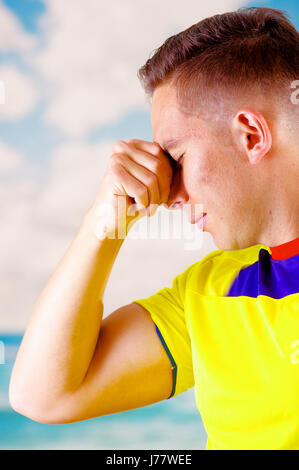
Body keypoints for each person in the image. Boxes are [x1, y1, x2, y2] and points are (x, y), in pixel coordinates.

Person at [9, 7, 299, 450]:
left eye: (177, 159)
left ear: (251, 136)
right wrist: (106, 221)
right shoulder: (208, 292)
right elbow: (44, 397)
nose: (168, 195)